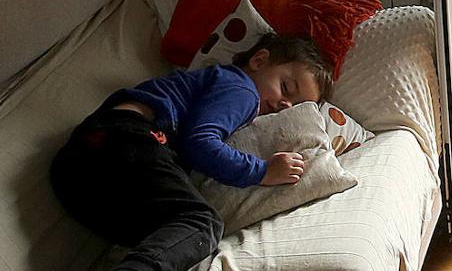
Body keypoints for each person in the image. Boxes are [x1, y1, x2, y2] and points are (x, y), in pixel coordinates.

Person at [50, 33, 333, 271]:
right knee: (202, 224)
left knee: (164, 235)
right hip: (127, 137)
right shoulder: (242, 89)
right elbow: (200, 143)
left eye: (293, 106)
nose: (283, 105)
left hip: (79, 166)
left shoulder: (219, 83)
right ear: (259, 60)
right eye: (285, 87)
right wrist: (263, 171)